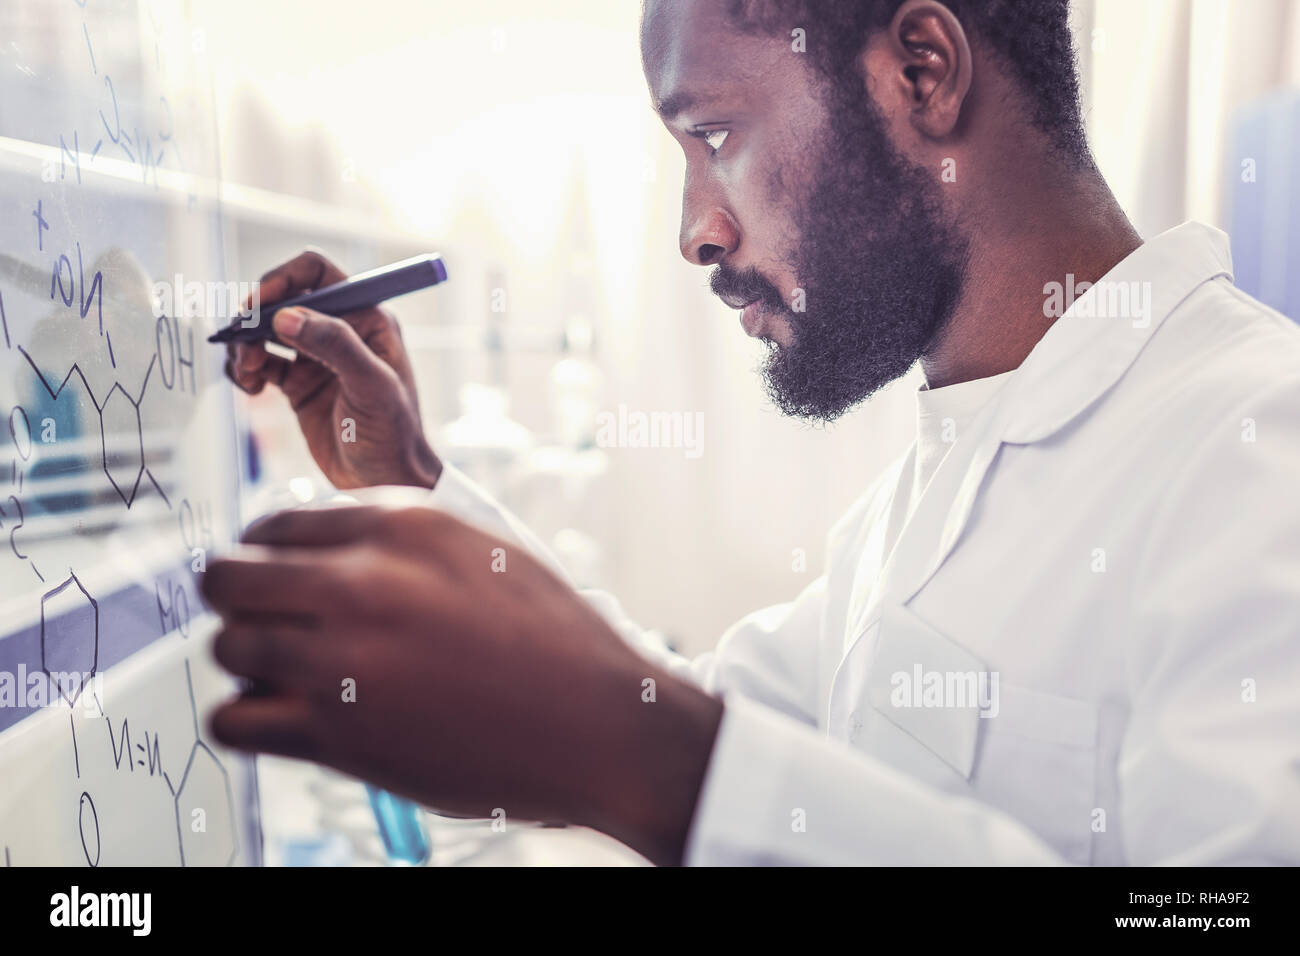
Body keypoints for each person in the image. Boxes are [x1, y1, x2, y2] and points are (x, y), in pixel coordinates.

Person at [203, 0, 1300, 866]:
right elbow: (674, 708)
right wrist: (411, 476)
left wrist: (654, 762)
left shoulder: (1253, 447)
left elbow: (674, 751)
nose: (696, 231)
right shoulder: (924, 492)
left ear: (922, 70)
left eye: (714, 134)